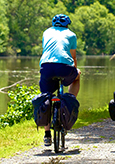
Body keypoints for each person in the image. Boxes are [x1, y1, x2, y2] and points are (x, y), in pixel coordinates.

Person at [39, 14, 81, 146]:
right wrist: (74, 70)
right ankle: (69, 100)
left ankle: (47, 135)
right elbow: (73, 57)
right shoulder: (71, 35)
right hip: (65, 68)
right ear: (67, 25)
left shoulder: (46, 32)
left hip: (46, 67)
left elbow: (46, 50)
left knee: (46, 98)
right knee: (77, 76)